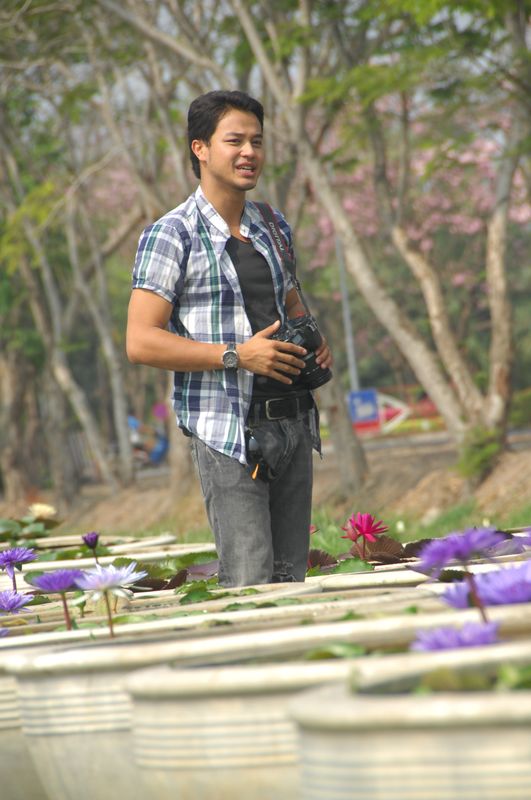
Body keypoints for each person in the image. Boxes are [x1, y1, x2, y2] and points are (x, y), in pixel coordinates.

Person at [126, 90, 332, 587]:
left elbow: (288, 296)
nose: (249, 152)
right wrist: (238, 355)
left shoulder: (272, 224)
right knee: (250, 581)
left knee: (292, 580)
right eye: (234, 141)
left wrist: (312, 335)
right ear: (200, 148)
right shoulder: (172, 234)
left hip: (292, 420)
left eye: (257, 141)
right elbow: (140, 341)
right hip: (227, 429)